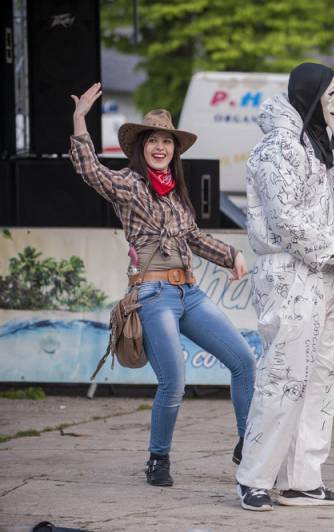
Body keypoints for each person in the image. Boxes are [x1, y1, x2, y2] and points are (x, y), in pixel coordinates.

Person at [69, 83, 256, 487]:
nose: (160, 147)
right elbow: (90, 172)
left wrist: (232, 255)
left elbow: (194, 238)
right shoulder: (130, 184)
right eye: (153, 140)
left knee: (244, 361)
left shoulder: (176, 193)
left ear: (174, 149)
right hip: (153, 295)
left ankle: (250, 445)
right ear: (141, 147)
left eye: (167, 141)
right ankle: (158, 458)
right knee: (174, 382)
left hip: (189, 292)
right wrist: (80, 119)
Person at [235, 63, 334, 511]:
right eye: (331, 94)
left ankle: (302, 480)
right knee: (283, 376)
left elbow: (313, 207)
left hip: (318, 278)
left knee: (320, 379)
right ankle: (254, 478)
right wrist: (333, 250)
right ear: (311, 96)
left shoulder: (311, 144)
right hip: (289, 275)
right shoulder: (279, 146)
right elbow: (284, 219)